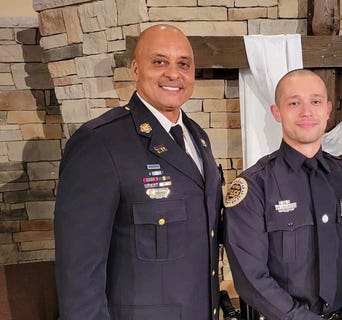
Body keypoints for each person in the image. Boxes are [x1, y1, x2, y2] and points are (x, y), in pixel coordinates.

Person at [54, 25, 224, 320]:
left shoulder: (198, 137)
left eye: (183, 64)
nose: (173, 73)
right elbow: (79, 272)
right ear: (135, 69)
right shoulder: (101, 143)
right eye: (159, 62)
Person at [224, 69, 342, 320]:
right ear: (276, 112)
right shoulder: (254, 186)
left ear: (327, 109)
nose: (306, 111)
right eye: (294, 103)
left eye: (315, 102)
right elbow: (252, 280)